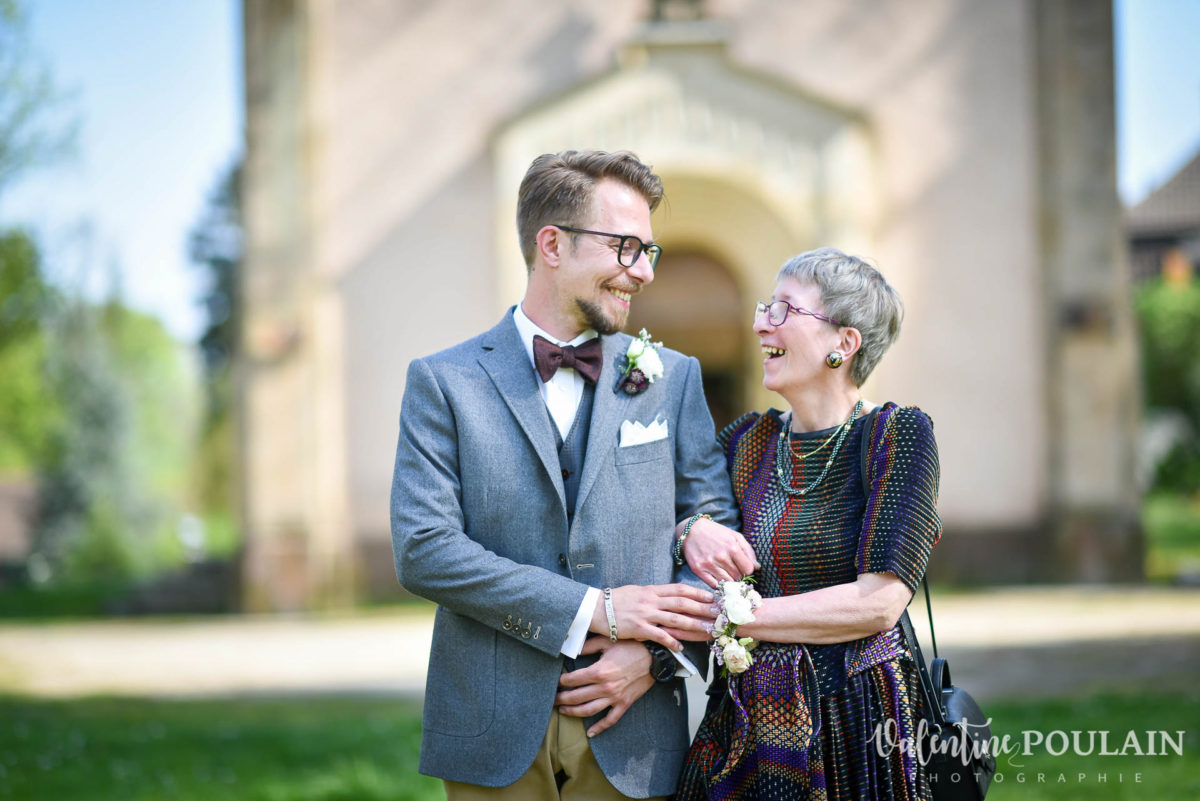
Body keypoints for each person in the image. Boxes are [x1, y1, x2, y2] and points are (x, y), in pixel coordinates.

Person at [390, 149, 742, 800]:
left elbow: (715, 540)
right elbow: (424, 551)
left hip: (636, 732)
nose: (643, 272)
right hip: (489, 728)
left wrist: (655, 657)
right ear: (552, 244)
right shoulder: (444, 382)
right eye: (626, 247)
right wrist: (596, 611)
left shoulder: (673, 378)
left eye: (649, 252)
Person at [673, 247, 941, 800]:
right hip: (745, 721)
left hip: (856, 721)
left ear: (844, 342)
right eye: (764, 307)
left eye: (784, 310)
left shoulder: (898, 437)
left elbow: (879, 602)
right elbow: (680, 516)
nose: (759, 324)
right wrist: (690, 529)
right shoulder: (745, 442)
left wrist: (732, 619)